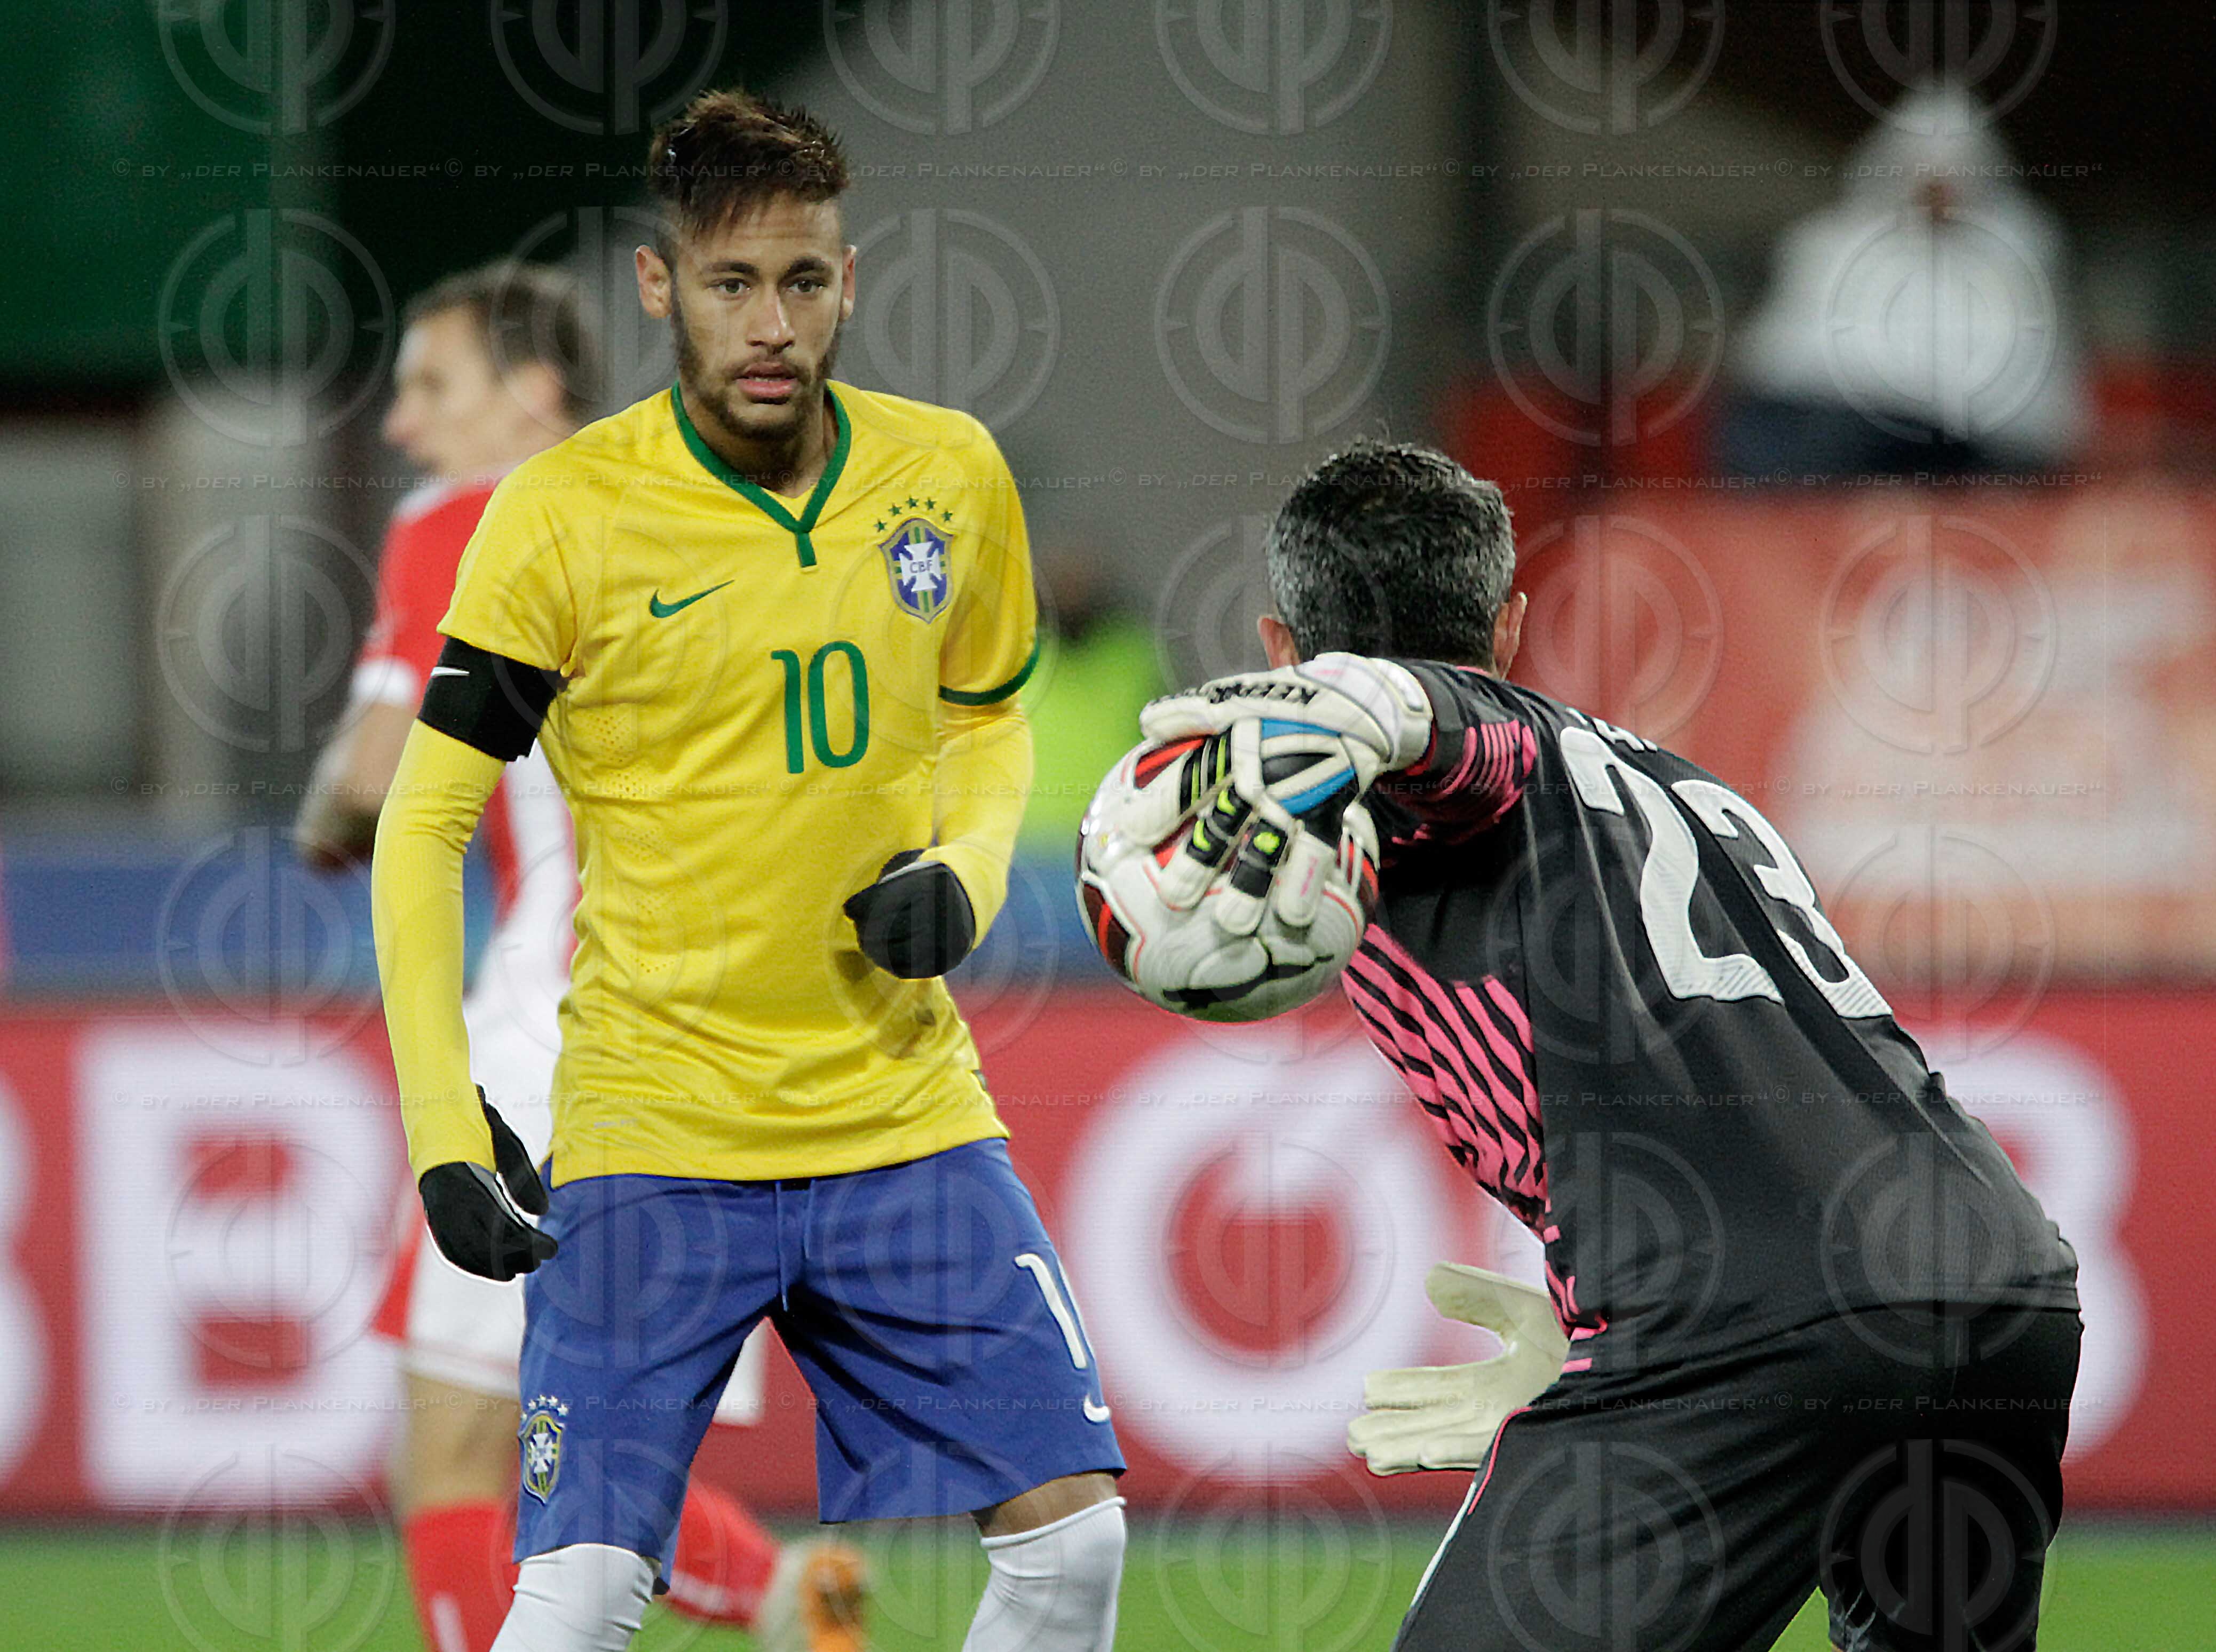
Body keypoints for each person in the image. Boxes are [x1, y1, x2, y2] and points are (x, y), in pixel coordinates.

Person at [370, 90, 1126, 1652]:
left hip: (900, 1121)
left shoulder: (949, 476)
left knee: (1076, 1548)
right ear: (660, 290)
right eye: (731, 286)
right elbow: (422, 822)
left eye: (804, 281)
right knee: (575, 1599)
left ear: (852, 279)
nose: (771, 323)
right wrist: (447, 1125)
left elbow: (986, 723)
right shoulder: (562, 518)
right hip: (653, 1127)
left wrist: (970, 873)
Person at [1135, 441, 2080, 1651]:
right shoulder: (1673, 781)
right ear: (1514, 622)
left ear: (1279, 648)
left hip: (1745, 1319)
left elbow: (1438, 721)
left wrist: (1333, 706)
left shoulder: (1448, 766)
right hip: (1996, 1281)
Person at [301, 260, 862, 1652]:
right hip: (728, 1055)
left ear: (533, 394)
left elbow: (365, 791)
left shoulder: (470, 523)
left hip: (560, 1037)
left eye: (433, 387)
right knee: (582, 1448)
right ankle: (787, 1596)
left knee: (452, 1461)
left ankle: (781, 1599)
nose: (403, 427)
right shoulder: (719, 518)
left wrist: (324, 816)